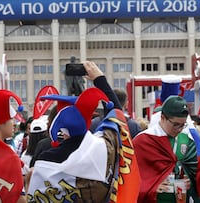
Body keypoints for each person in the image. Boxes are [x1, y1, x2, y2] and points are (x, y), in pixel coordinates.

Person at [27, 61, 140, 202]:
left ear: (61, 129)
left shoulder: (46, 160)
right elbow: (117, 118)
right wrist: (100, 80)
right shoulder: (104, 148)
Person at [133, 96, 200, 202]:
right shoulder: (143, 140)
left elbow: (194, 172)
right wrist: (152, 187)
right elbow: (131, 177)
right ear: (163, 118)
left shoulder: (186, 139)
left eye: (183, 125)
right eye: (175, 124)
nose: (179, 129)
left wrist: (188, 180)